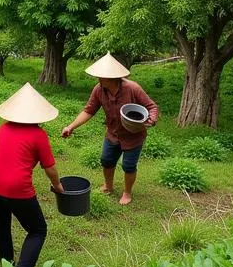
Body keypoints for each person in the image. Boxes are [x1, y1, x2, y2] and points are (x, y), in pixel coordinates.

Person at [0, 82, 62, 267]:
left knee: (1, 224)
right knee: (38, 229)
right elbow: (50, 169)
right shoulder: (39, 135)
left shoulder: (3, 129)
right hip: (17, 188)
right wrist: (58, 186)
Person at [61, 53, 159, 205]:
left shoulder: (132, 88)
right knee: (106, 160)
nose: (98, 79)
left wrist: (152, 119)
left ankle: (127, 193)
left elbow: (151, 106)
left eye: (101, 76)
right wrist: (71, 126)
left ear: (112, 77)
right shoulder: (99, 90)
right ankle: (108, 186)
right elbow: (89, 110)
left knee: (128, 165)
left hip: (134, 135)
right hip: (113, 133)